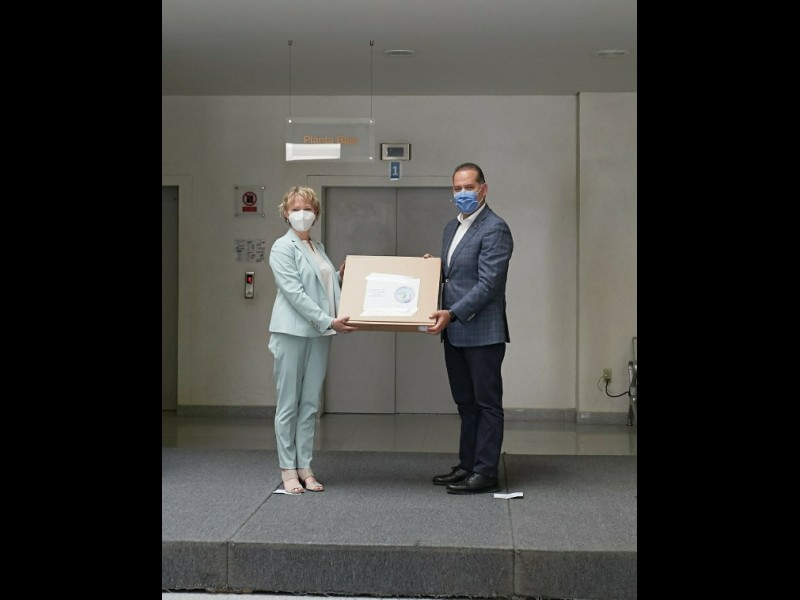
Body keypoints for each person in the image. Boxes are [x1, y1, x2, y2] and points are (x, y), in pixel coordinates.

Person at [425, 162, 514, 494]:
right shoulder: (452, 227)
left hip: (482, 332)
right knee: (465, 403)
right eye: (457, 188)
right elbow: (454, 276)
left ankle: (486, 471)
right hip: (455, 331)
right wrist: (429, 270)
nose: (463, 193)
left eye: (469, 187)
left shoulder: (495, 228)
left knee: (487, 403)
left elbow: (489, 284)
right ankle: (467, 465)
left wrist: (452, 313)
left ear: (483, 189)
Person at [267, 186, 358, 495]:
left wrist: (341, 276)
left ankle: (305, 466)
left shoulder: (317, 247)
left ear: (316, 213)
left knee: (309, 404)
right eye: (295, 209)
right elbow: (294, 293)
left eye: (307, 208)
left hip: (319, 333)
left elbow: (322, 287)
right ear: (285, 213)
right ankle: (287, 469)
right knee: (288, 404)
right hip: (292, 332)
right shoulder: (282, 247)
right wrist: (327, 321)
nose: (301, 214)